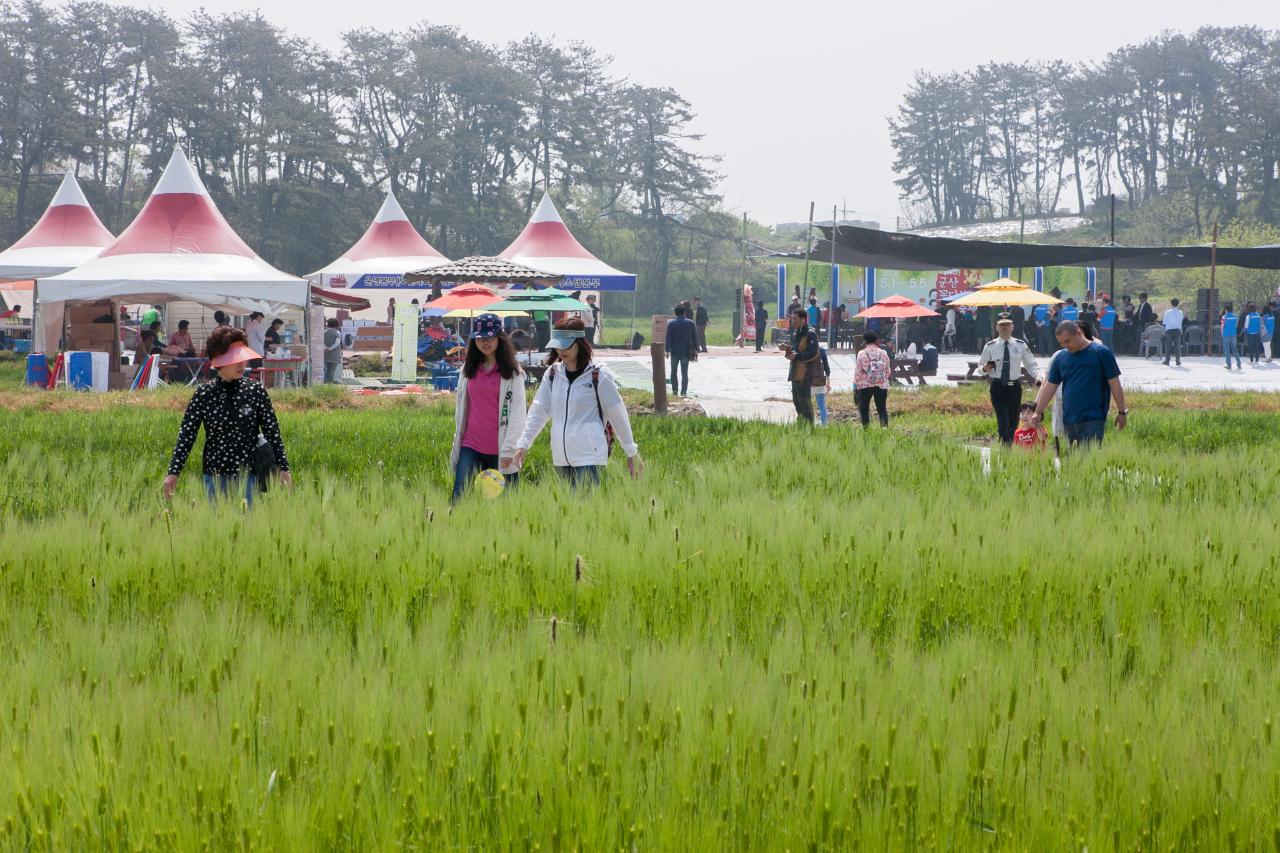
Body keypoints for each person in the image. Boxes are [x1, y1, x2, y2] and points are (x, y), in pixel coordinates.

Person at [162, 325, 292, 504]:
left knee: (247, 528)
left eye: (243, 357)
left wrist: (283, 467)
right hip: (215, 477)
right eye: (235, 359)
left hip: (249, 476)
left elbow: (272, 432)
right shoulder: (204, 394)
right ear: (218, 360)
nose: (242, 363)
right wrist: (173, 472)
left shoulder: (255, 391)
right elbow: (186, 436)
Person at [512, 317, 642, 486]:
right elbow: (539, 410)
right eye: (558, 345)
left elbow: (617, 414)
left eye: (567, 345)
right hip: (560, 457)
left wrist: (631, 451)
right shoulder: (552, 374)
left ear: (580, 343)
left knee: (586, 509)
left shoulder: (598, 375)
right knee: (567, 511)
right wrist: (523, 443)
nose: (562, 350)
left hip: (590, 457)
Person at [448, 314, 527, 501]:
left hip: (500, 448)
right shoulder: (468, 369)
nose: (485, 342)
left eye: (490, 337)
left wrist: (509, 448)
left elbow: (518, 413)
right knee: (460, 494)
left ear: (499, 337)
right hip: (471, 444)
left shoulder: (512, 372)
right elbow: (461, 407)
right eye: (480, 338)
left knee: (503, 503)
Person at [1032, 320, 1128, 447]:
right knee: (1072, 460)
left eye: (1068, 341)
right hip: (1069, 417)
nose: (1066, 346)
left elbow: (1115, 384)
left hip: (1094, 417)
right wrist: (1038, 411)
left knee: (1088, 459)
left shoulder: (1101, 353)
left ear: (1078, 333)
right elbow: (1050, 386)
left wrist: (1122, 412)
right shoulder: (1061, 358)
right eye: (1061, 343)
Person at [978, 313, 1041, 446]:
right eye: (1002, 325)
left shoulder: (1020, 345)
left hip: (1014, 388)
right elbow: (980, 368)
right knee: (1003, 421)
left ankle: (1011, 449)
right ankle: (1005, 451)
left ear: (1013, 326)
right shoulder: (990, 346)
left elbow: (1031, 364)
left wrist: (1038, 377)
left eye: (1007, 324)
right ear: (996, 328)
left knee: (1013, 422)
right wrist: (985, 368)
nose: (1005, 327)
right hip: (998, 387)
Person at [782, 305, 820, 424]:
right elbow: (796, 349)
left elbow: (813, 353)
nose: (792, 321)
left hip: (805, 372)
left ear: (803, 319)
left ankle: (809, 427)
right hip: (795, 371)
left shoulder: (810, 333)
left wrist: (797, 356)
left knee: (804, 401)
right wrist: (788, 350)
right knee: (796, 400)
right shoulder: (797, 332)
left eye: (795, 319)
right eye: (791, 319)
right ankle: (801, 425)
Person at [853, 330, 891, 428]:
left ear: (865, 342)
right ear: (876, 341)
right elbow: (888, 371)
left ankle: (866, 430)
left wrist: (856, 385)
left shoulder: (861, 353)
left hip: (865, 385)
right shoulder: (883, 353)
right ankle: (884, 429)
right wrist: (881, 378)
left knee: (864, 408)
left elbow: (857, 372)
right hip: (881, 385)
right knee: (882, 409)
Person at [664, 305, 698, 397]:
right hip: (686, 352)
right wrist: (696, 349)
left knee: (673, 372)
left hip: (674, 351)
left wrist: (666, 350)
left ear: (675, 313)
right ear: (684, 312)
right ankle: (683, 392)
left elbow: (668, 338)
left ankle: (674, 391)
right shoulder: (690, 323)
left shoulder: (671, 324)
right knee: (684, 373)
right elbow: (695, 337)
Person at [1161, 298, 1184, 366]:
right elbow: (1181, 321)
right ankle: (1178, 361)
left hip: (1169, 330)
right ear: (1178, 304)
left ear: (1171, 304)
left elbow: (1164, 322)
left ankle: (1167, 361)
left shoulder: (1167, 312)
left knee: (1168, 346)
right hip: (1177, 330)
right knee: (1177, 346)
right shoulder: (1181, 312)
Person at [814, 346, 831, 426]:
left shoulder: (803, 349)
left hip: (806, 380)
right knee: (822, 405)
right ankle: (824, 424)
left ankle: (809, 423)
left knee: (806, 404)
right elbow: (826, 367)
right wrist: (828, 382)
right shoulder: (821, 350)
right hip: (819, 380)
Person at [1221, 302, 1241, 370]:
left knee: (1227, 350)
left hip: (1226, 335)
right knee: (1235, 350)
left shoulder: (1224, 317)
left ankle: (1229, 365)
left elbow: (1222, 326)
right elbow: (1236, 325)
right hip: (1233, 335)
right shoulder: (1235, 316)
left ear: (1226, 310)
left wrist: (1222, 333)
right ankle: (1239, 363)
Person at [322, 317, 342, 383]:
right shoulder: (337, 332)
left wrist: (325, 348)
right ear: (337, 324)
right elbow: (337, 343)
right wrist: (330, 349)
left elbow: (321, 341)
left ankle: (325, 383)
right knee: (331, 371)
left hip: (325, 354)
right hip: (334, 355)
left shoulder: (324, 332)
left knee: (326, 370)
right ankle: (330, 385)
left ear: (328, 324)